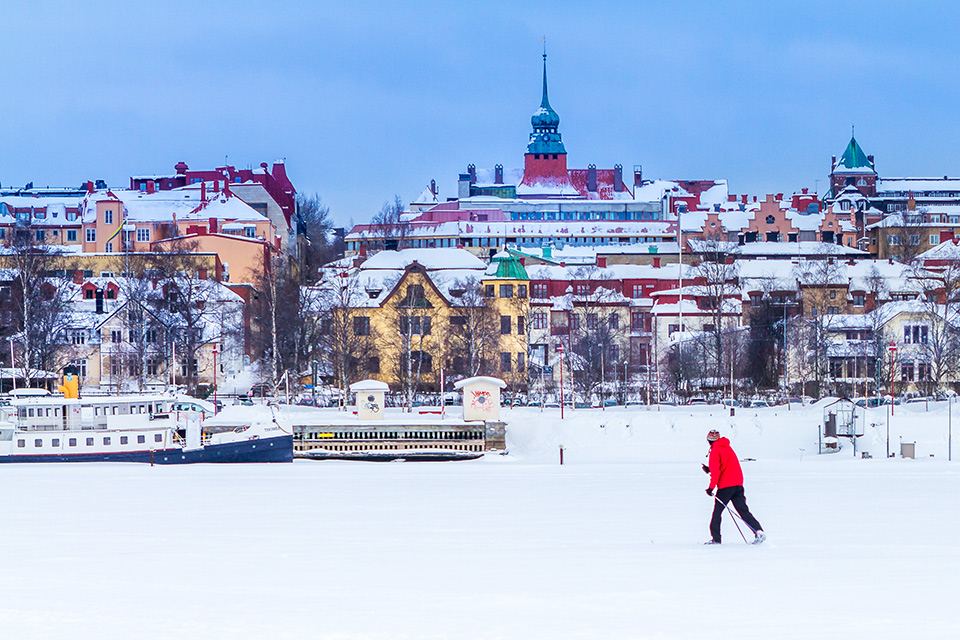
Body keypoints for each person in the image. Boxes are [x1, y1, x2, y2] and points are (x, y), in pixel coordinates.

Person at [703, 429, 765, 545]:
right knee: (743, 511)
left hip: (725, 487)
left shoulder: (715, 450)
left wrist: (711, 488)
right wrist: (709, 469)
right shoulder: (728, 447)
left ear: (709, 440)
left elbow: (716, 473)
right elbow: (725, 466)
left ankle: (716, 539)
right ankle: (758, 531)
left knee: (717, 513)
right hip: (738, 484)